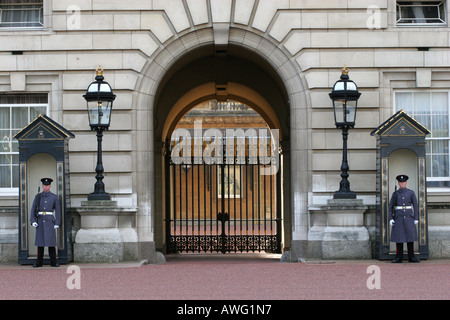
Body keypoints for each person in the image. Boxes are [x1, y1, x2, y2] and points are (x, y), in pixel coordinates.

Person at [30, 178, 61, 267]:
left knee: (51, 243)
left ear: (50, 186)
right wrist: (33, 220)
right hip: (40, 220)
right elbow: (33, 209)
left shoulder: (54, 197)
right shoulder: (38, 196)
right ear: (42, 186)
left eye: (47, 185)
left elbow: (58, 211)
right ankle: (39, 262)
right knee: (40, 243)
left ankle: (53, 262)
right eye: (44, 185)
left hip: (49, 220)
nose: (46, 187)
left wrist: (57, 223)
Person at [389, 174, 420, 263]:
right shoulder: (395, 194)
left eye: (403, 182)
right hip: (398, 217)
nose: (402, 184)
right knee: (399, 238)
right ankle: (399, 257)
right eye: (400, 182)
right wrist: (391, 218)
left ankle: (412, 257)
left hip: (409, 217)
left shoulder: (411, 193)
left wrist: (416, 217)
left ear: (406, 183)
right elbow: (390, 206)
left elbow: (415, 206)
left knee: (410, 238)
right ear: (398, 183)